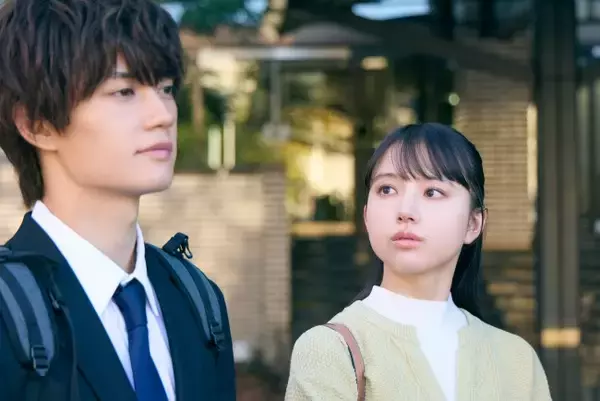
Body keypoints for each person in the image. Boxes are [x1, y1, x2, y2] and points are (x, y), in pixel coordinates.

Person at [0, 0, 236, 400]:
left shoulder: (199, 301)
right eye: (124, 91)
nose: (162, 114)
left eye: (165, 89)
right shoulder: (10, 315)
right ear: (38, 125)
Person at [285, 123, 551, 401]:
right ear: (366, 216)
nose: (405, 211)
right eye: (387, 189)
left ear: (473, 224)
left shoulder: (517, 361)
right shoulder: (329, 351)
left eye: (432, 192)